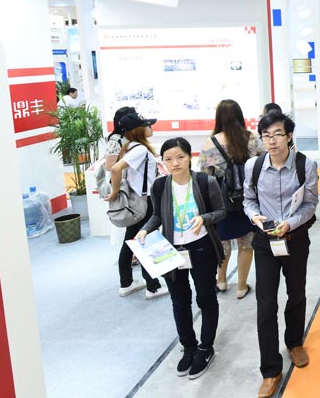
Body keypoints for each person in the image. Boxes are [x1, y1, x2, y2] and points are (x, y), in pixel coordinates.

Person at [136, 137, 226, 379]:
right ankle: (189, 347)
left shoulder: (205, 182)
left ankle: (205, 348)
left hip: (202, 247)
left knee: (206, 298)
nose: (174, 163)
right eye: (168, 159)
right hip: (171, 250)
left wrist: (204, 218)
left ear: (189, 157)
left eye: (180, 157)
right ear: (163, 162)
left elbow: (221, 211)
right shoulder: (159, 186)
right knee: (179, 301)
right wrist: (145, 229)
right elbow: (157, 215)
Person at [244, 111, 319, 397]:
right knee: (265, 303)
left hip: (295, 239)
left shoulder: (305, 165)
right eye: (266, 136)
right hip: (265, 243)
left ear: (289, 136)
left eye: (277, 134)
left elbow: (310, 203)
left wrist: (292, 222)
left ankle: (294, 342)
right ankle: (270, 370)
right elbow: (248, 199)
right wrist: (254, 216)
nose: (272, 141)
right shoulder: (254, 166)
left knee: (296, 293)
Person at [199, 99, 261, 298]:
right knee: (247, 243)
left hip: (221, 200)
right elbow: (260, 163)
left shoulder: (210, 142)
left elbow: (204, 174)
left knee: (222, 243)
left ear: (218, 118)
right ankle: (242, 286)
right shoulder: (251, 138)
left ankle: (222, 281)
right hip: (247, 197)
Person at [106, 112, 168, 300]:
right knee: (145, 241)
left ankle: (126, 283)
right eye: (147, 125)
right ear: (137, 130)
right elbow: (115, 169)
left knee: (131, 240)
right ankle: (152, 286)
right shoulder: (140, 149)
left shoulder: (129, 147)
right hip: (145, 202)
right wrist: (114, 191)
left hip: (137, 201)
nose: (150, 127)